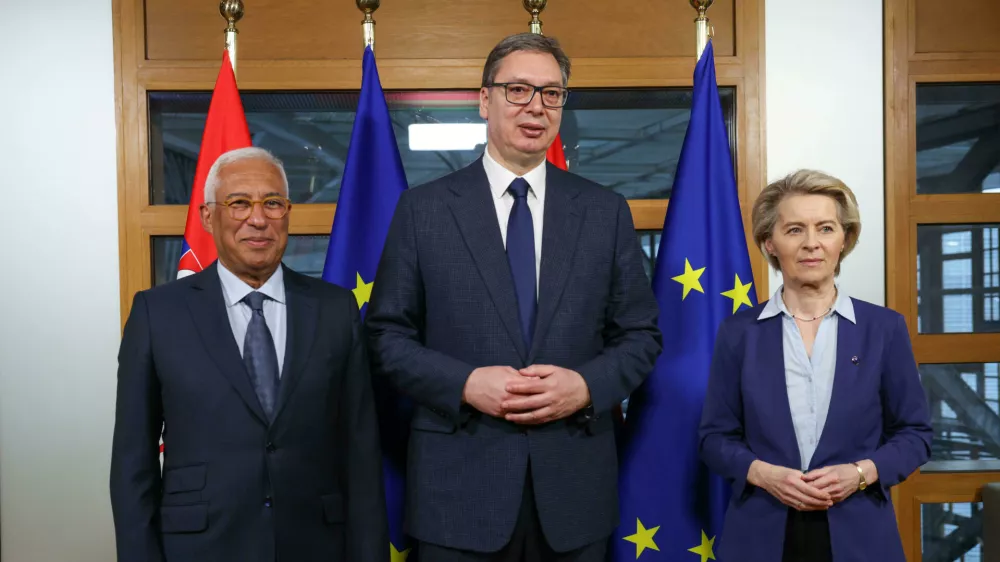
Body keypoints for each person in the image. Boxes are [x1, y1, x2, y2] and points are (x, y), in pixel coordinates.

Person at [365, 32, 662, 562]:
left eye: (551, 94)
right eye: (518, 90)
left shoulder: (604, 211)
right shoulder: (424, 210)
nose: (536, 107)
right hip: (457, 492)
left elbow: (640, 335)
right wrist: (465, 383)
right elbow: (386, 336)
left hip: (574, 492)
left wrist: (585, 386)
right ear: (485, 100)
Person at [110, 147, 389, 562]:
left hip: (316, 545)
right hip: (199, 547)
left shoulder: (335, 309)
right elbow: (133, 465)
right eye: (239, 203)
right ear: (208, 216)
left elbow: (361, 453)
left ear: (287, 213)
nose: (258, 219)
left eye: (272, 203)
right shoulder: (157, 313)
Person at [698, 169, 933, 562]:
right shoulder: (738, 333)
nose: (811, 244)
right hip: (761, 534)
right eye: (794, 230)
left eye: (825, 228)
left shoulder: (884, 329)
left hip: (860, 535)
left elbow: (915, 435)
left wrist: (860, 474)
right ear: (770, 243)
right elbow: (713, 439)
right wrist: (763, 474)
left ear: (844, 240)